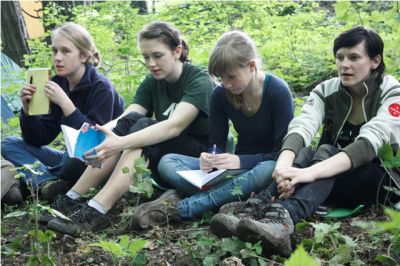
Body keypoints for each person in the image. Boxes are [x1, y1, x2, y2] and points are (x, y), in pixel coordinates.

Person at [210, 26, 400, 257]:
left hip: (381, 180)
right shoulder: (327, 90)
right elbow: (303, 126)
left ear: (375, 60)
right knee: (306, 153)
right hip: (330, 178)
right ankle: (260, 207)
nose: (344, 64)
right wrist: (283, 167)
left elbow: (370, 142)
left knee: (326, 152)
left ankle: (283, 219)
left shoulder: (392, 92)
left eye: (354, 57)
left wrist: (309, 173)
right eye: (340, 57)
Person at [45, 21, 214, 235]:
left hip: (199, 157)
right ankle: (71, 199)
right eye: (146, 57)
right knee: (131, 122)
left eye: (157, 55)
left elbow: (174, 126)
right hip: (165, 150)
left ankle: (98, 209)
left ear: (177, 51)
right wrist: (101, 132)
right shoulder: (153, 81)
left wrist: (120, 143)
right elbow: (128, 115)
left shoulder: (198, 80)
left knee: (141, 129)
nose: (151, 63)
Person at [132, 30, 294, 229]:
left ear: (252, 66)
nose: (226, 84)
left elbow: (281, 154)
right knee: (167, 162)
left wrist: (240, 160)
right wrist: (210, 158)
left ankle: (181, 208)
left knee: (267, 169)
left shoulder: (278, 91)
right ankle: (229, 199)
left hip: (264, 167)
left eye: (232, 77)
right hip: (235, 171)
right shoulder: (220, 94)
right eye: (221, 78)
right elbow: (216, 143)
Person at [1, 22, 124, 203]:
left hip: (98, 160)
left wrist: (67, 105)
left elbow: (95, 142)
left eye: (65, 51)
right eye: (55, 51)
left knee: (72, 157)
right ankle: (47, 184)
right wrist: (28, 111)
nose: (57, 57)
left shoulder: (101, 87)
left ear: (83, 56)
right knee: (8, 144)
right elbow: (37, 139)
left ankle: (30, 182)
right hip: (69, 157)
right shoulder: (58, 83)